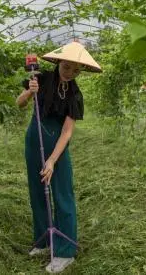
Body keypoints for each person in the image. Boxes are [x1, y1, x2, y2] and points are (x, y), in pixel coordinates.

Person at [16, 41, 102, 273]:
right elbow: (20, 104)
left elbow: (67, 131)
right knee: (37, 191)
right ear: (58, 62)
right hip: (34, 139)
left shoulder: (75, 95)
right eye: (67, 67)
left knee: (62, 193)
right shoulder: (41, 79)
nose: (71, 73)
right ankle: (43, 241)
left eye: (76, 70)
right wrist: (29, 92)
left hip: (57, 144)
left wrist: (53, 159)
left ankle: (65, 251)